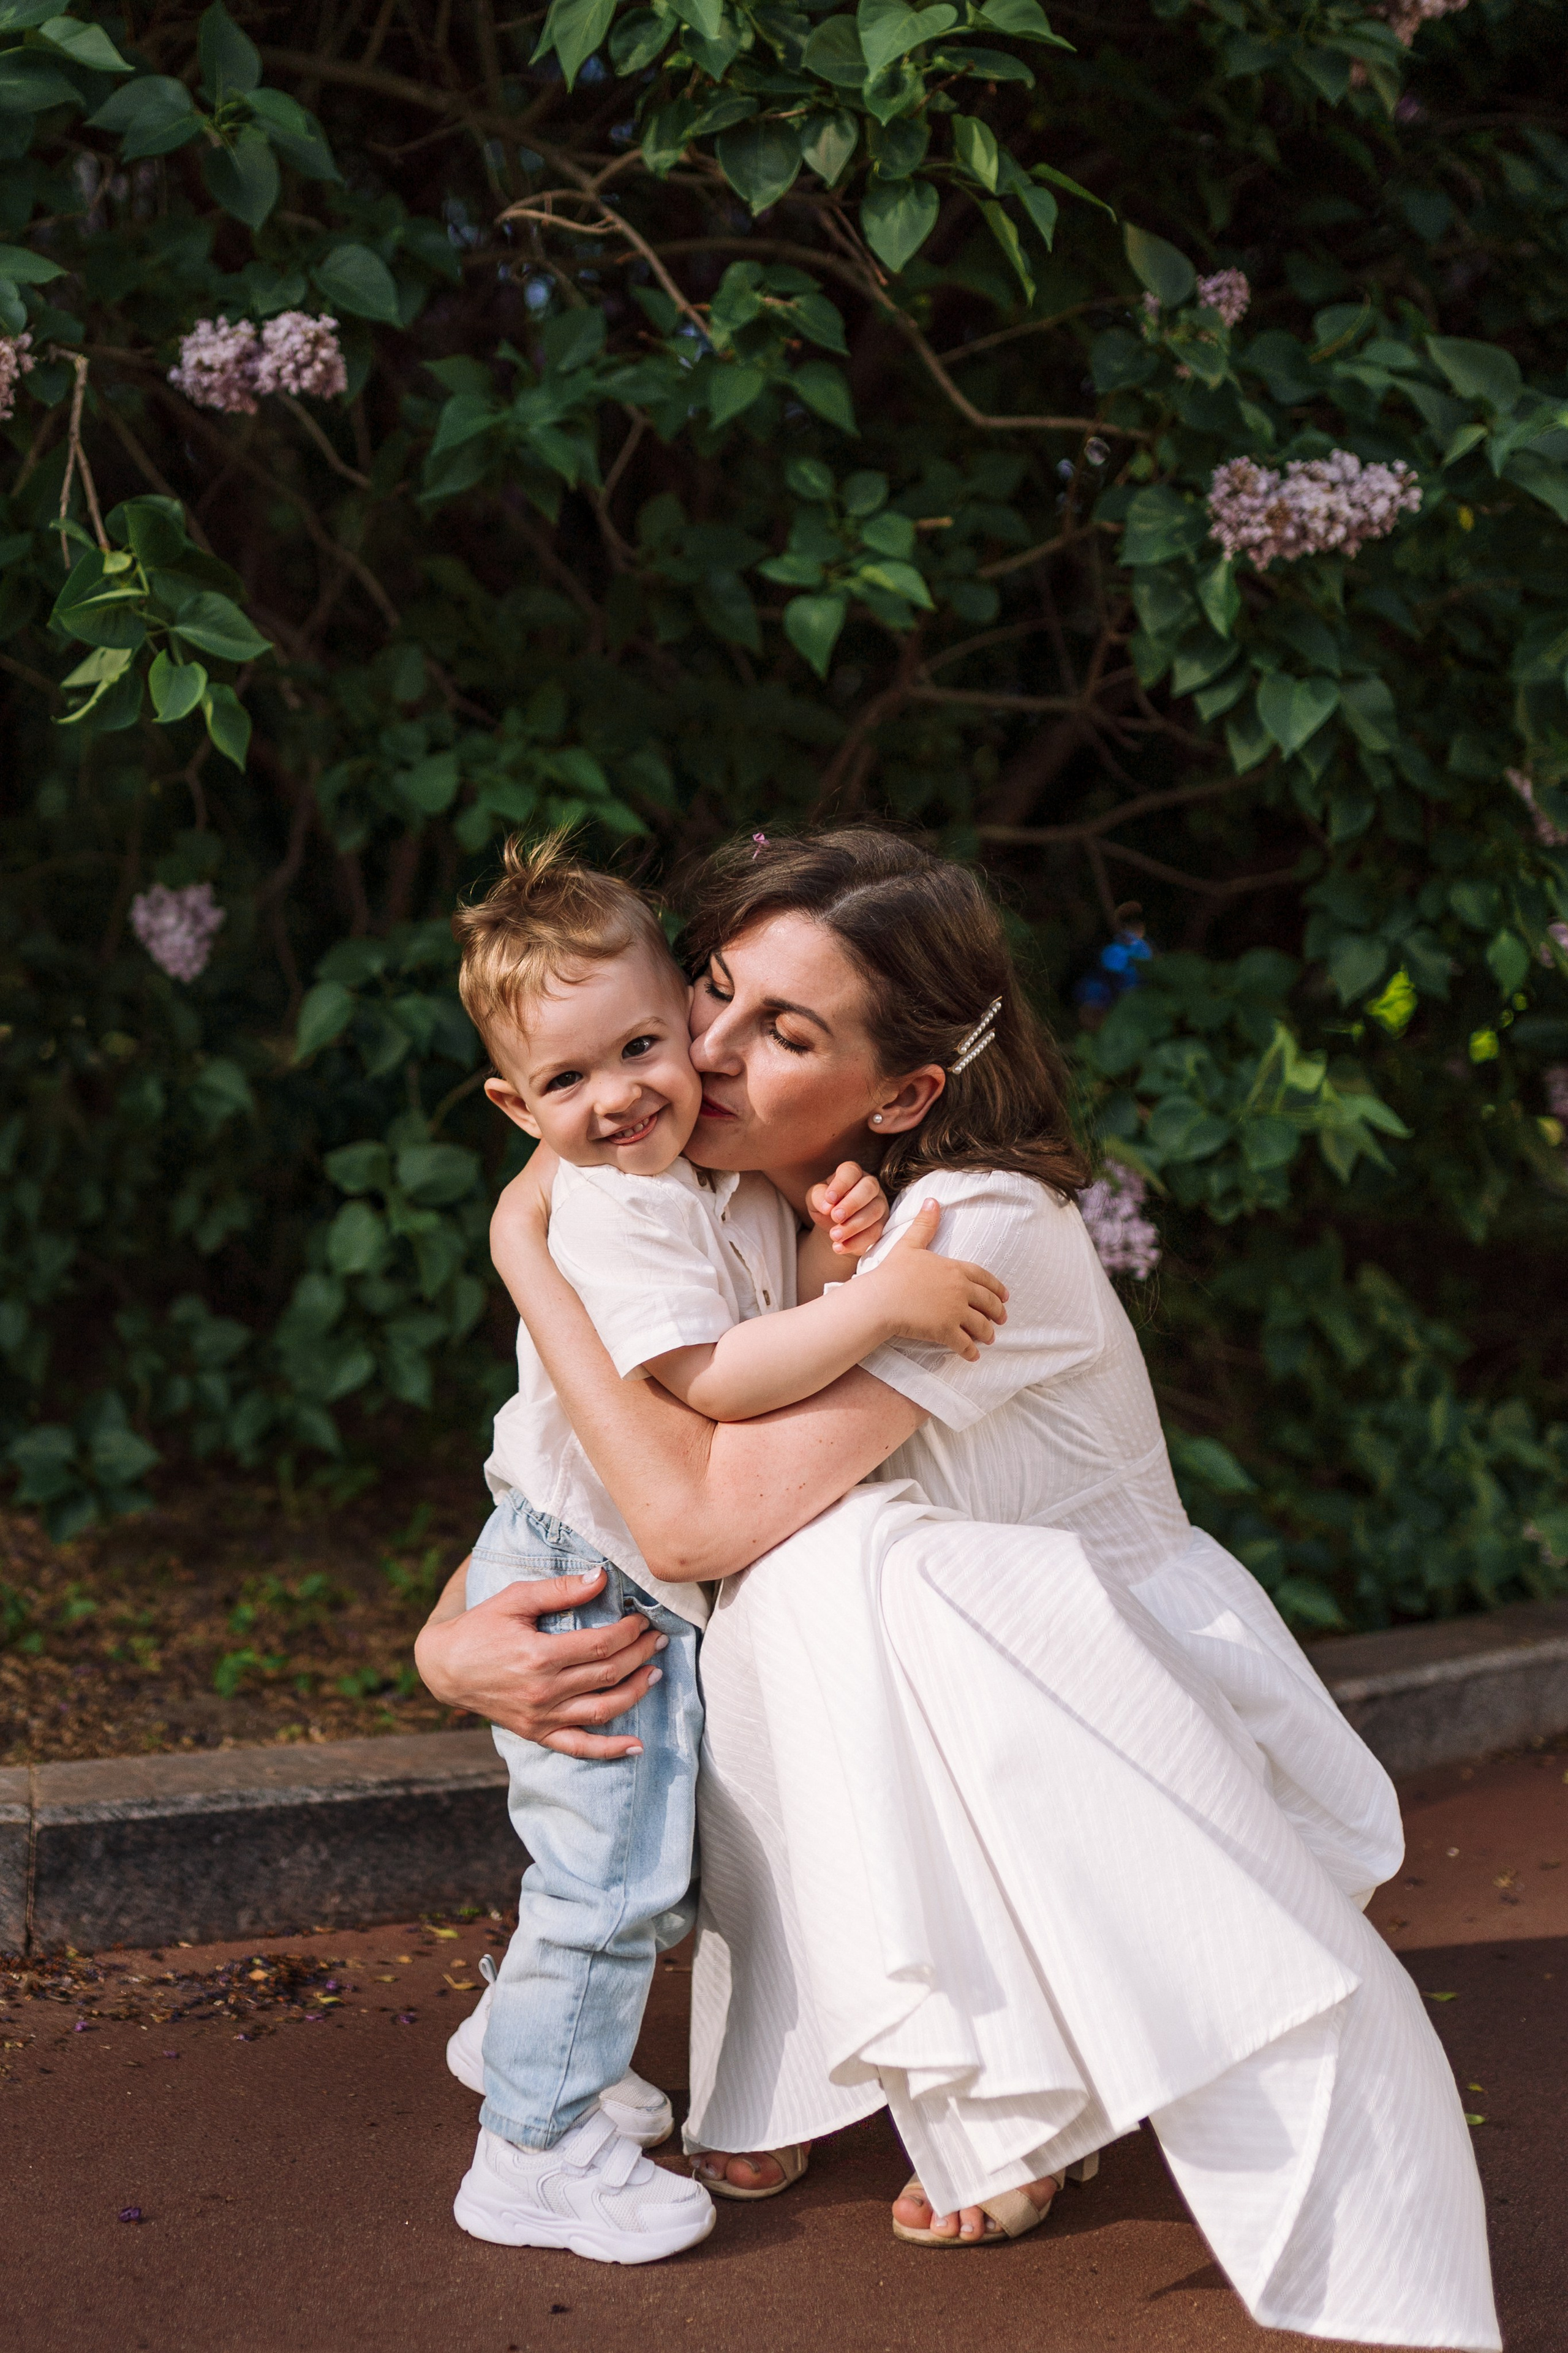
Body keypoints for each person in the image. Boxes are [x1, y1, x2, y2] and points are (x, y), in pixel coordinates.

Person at [421, 826, 1499, 2347]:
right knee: (800, 1596)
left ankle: (1013, 2088)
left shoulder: (975, 1229)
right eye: (713, 994)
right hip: (883, 1649)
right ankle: (782, 2053)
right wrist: (445, 1644)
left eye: (781, 1033)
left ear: (907, 1091)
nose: (710, 1058)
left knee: (841, 1566)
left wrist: (516, 1252)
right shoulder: (700, 1195)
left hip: (1090, 1670)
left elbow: (683, 1520)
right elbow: (574, 1468)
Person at [439, 834, 1009, 2267]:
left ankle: (531, 2034)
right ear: (515, 1106)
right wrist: (885, 1305)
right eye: (567, 1081)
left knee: (640, 1864)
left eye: (644, 1040)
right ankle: (532, 2146)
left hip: (610, 1571)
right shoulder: (614, 1201)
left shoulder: (700, 1171)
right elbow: (717, 1379)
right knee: (609, 1877)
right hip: (585, 1576)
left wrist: (832, 1251)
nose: (624, 1091)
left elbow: (763, 1305)